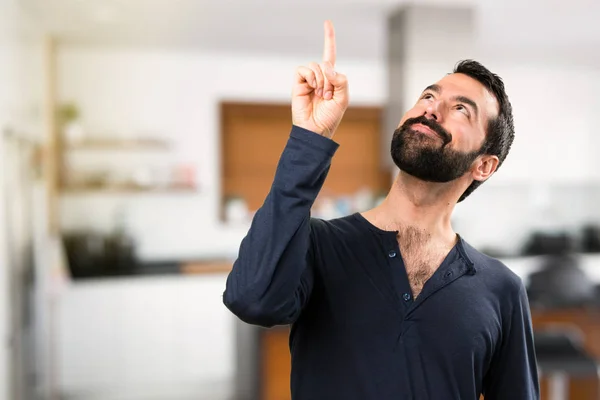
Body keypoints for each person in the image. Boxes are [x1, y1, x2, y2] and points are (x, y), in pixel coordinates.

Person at [223, 20, 539, 400]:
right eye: (427, 96)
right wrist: (310, 138)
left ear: (484, 165)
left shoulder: (501, 288)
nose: (432, 110)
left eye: (460, 109)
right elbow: (252, 300)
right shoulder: (319, 245)